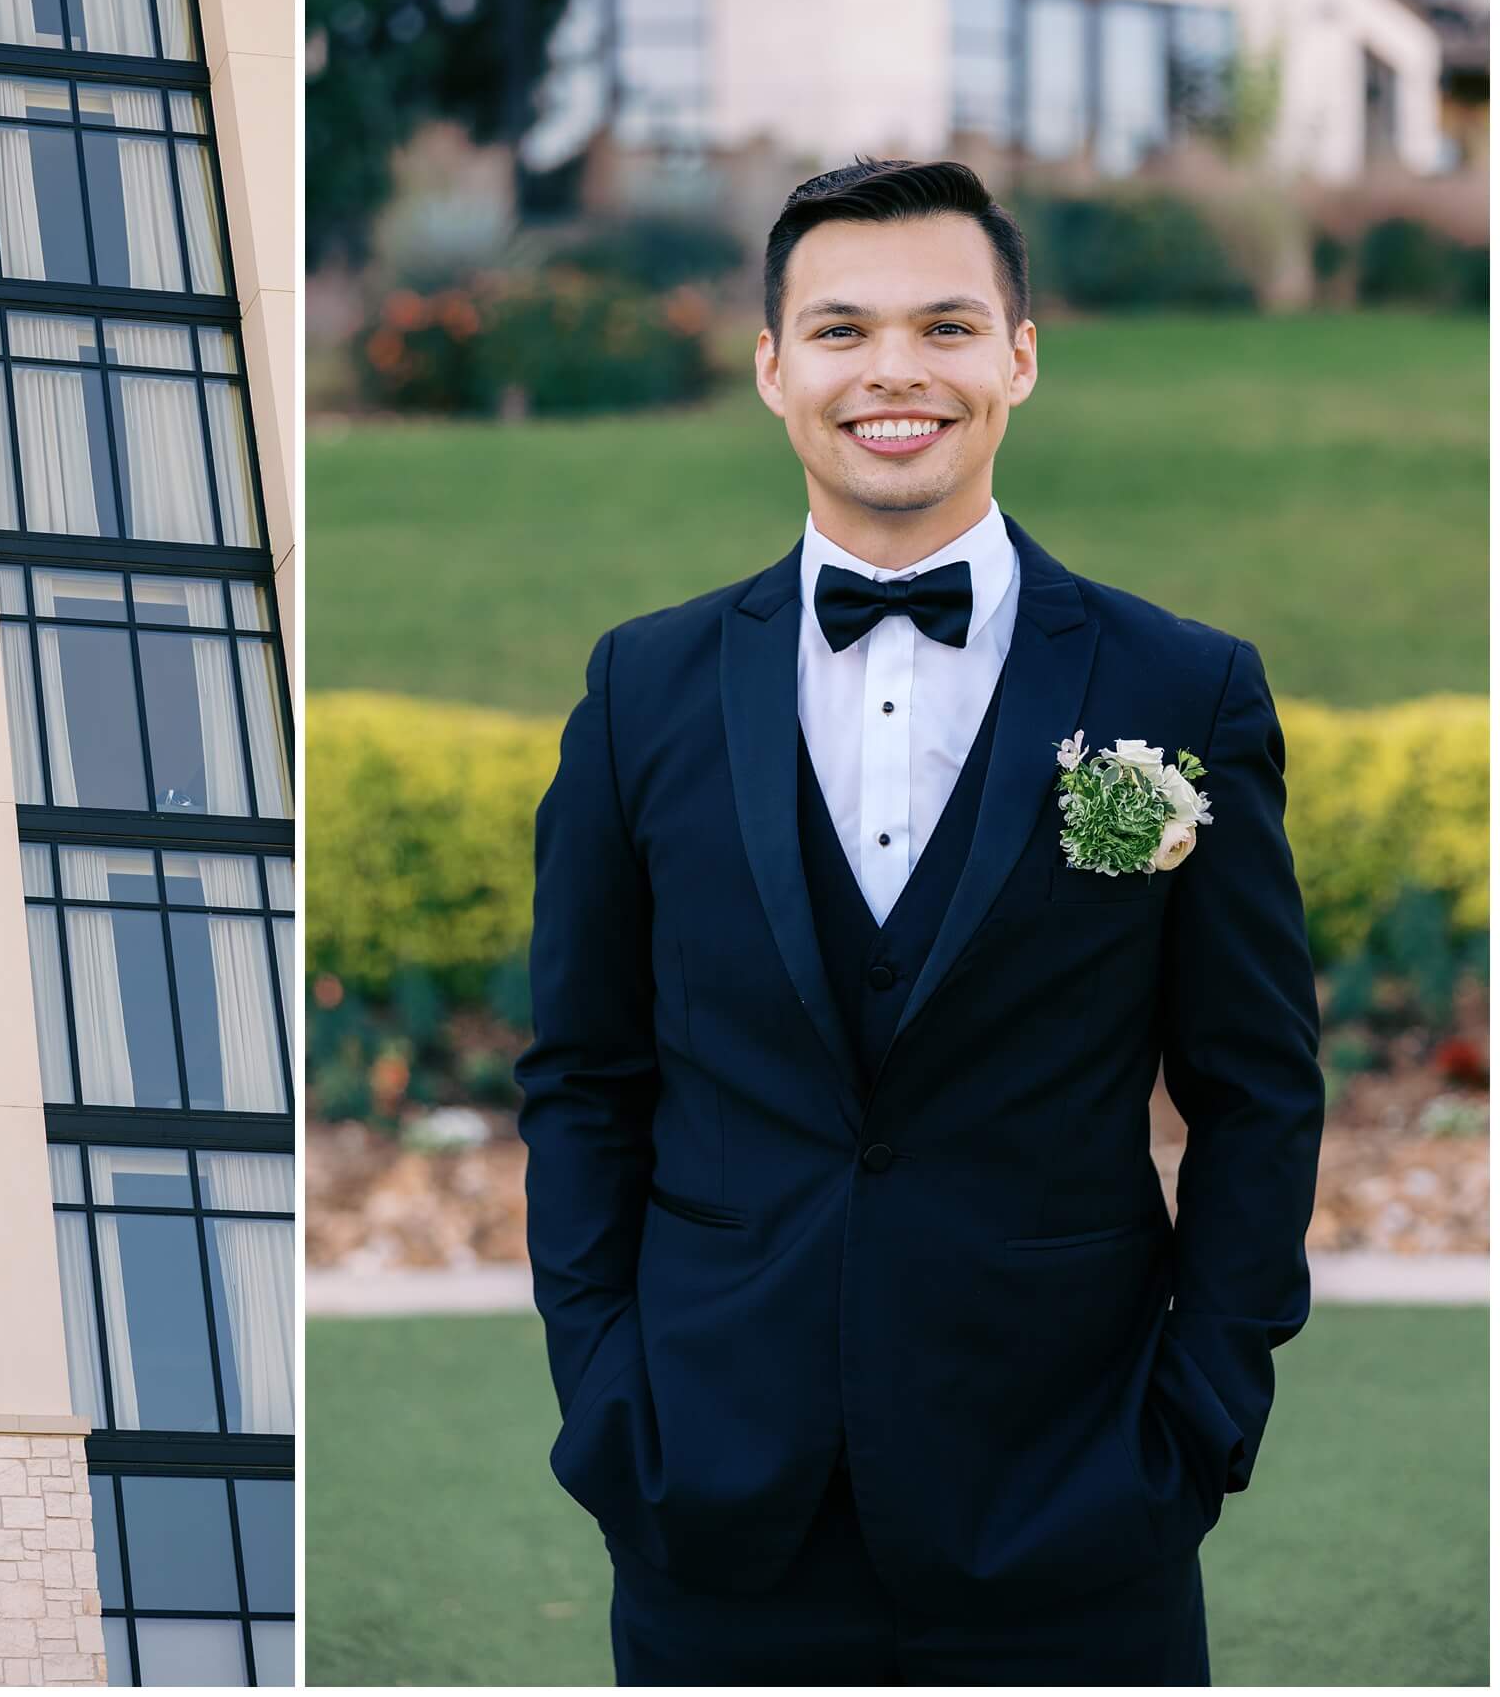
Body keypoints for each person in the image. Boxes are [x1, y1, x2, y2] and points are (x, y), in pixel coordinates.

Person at [516, 158, 1323, 1685]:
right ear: (772, 368)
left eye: (947, 325)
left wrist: (1196, 1417)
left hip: (1077, 1503)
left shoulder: (1182, 690)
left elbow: (1258, 1086)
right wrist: (611, 1400)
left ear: (1019, 353)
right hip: (715, 1504)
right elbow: (583, 1075)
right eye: (841, 329)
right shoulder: (641, 691)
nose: (895, 369)